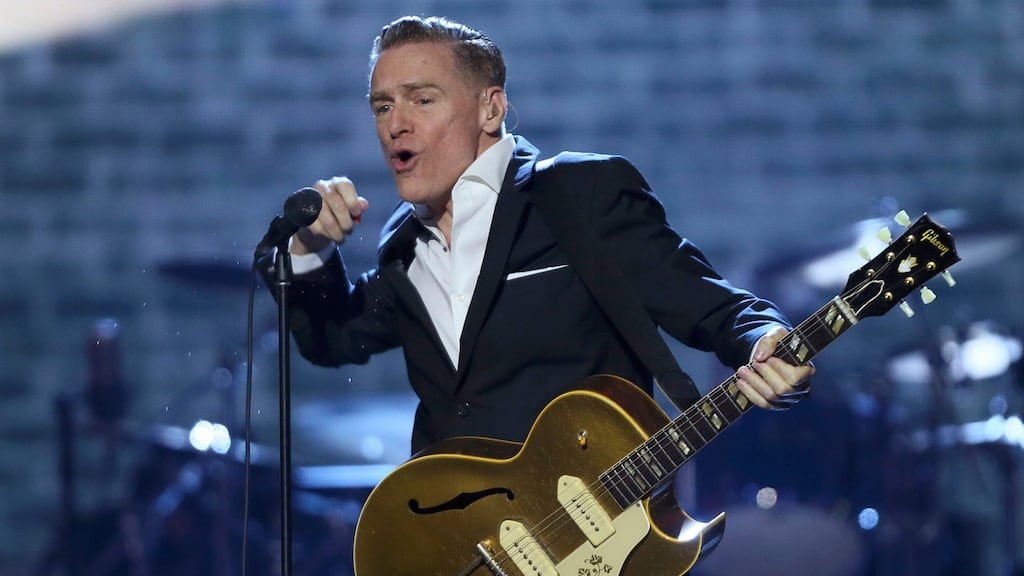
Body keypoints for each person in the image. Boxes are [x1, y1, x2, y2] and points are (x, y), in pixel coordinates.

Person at [269, 15, 814, 455]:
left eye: (423, 99)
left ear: (491, 107)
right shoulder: (405, 245)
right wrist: (308, 249)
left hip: (592, 533)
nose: (396, 123)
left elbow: (712, 306)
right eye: (383, 105)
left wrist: (764, 339)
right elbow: (332, 340)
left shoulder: (576, 194)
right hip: (465, 546)